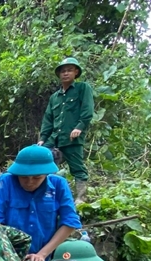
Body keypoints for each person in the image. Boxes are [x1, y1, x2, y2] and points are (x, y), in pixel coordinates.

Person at [38, 57, 94, 201]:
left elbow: (87, 110)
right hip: (55, 137)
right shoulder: (55, 97)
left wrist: (79, 127)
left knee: (77, 167)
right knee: (42, 159)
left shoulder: (82, 88)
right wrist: (43, 138)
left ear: (76, 72)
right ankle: (46, 195)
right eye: (63, 71)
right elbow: (48, 119)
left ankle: (81, 198)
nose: (66, 73)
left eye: (69, 70)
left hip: (72, 137)